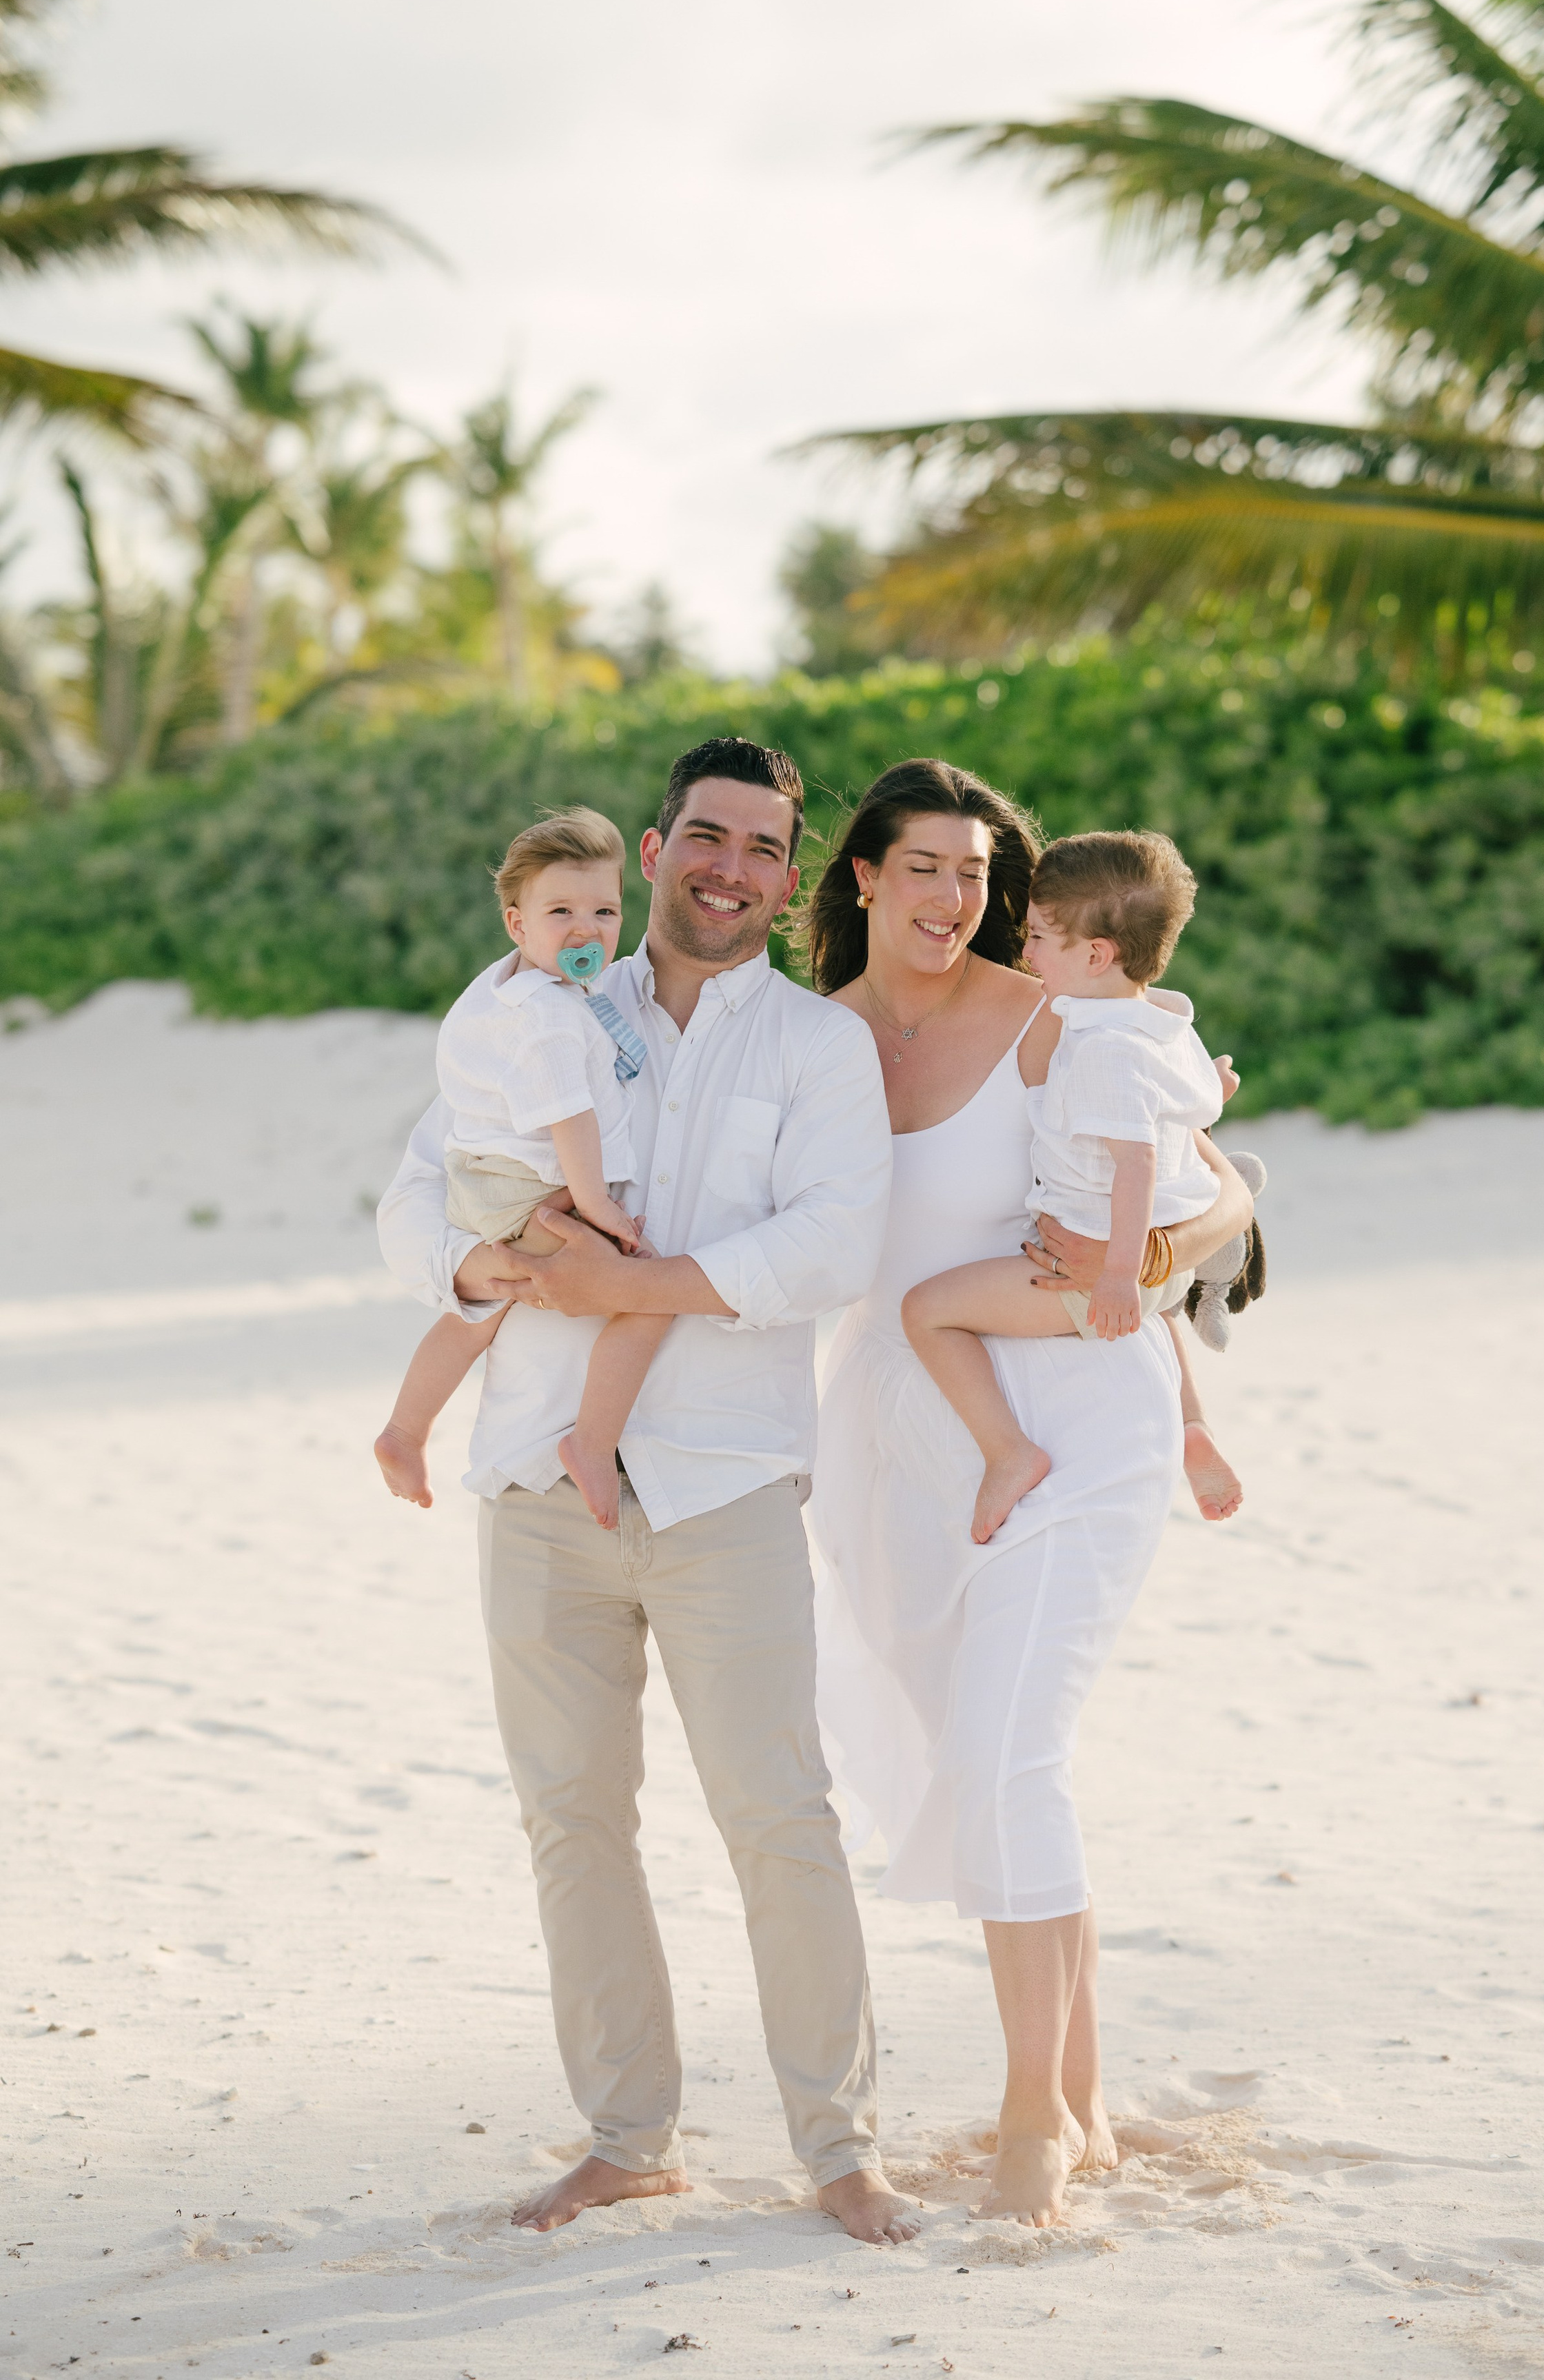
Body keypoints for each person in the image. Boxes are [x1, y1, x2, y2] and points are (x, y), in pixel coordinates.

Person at [376, 735, 918, 2247]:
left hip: (726, 1486)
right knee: (572, 1821)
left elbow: (831, 1248)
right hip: (533, 1476)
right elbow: (416, 1189)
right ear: (658, 841)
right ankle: (629, 2137)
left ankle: (839, 2145)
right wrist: (485, 1267)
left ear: (788, 877)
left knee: (779, 1818)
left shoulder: (818, 1050)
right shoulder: (545, 995)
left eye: (760, 848)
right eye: (704, 836)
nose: (726, 868)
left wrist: (635, 1284)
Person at [802, 759, 1254, 2232]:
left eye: (977, 873)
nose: (954, 898)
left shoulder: (1059, 1018)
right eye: (921, 867)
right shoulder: (801, 1045)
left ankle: (1028, 2118)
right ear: (861, 875)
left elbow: (1211, 1193)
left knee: (1008, 1755)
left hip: (1067, 1424)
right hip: (898, 1448)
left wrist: (1156, 1261)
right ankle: (1085, 2091)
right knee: (1002, 1769)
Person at [902, 827, 1232, 1543]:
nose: (1027, 953)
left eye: (1041, 937)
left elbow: (1137, 1162)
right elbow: (1203, 1094)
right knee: (1164, 1310)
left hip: (1091, 1269)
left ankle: (1008, 1452)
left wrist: (1115, 1277)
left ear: (1095, 955)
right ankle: (1193, 1423)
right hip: (1161, 1270)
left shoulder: (1102, 1050)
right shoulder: (1164, 1017)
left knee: (926, 1312)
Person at [373, 807, 668, 1528]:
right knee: (651, 1296)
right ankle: (593, 1445)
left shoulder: (509, 990)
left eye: (605, 910)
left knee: (475, 1318)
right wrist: (598, 1208)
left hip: (484, 1182)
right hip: (530, 1190)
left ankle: (404, 1430)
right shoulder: (552, 1020)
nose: (586, 930)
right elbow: (570, 1116)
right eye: (560, 910)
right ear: (517, 924)